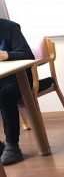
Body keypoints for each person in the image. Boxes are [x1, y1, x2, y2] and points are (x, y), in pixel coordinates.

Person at [0, 18, 34, 166]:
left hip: (19, 79)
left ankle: (12, 145)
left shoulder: (9, 27)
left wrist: (6, 55)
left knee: (5, 93)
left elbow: (28, 55)